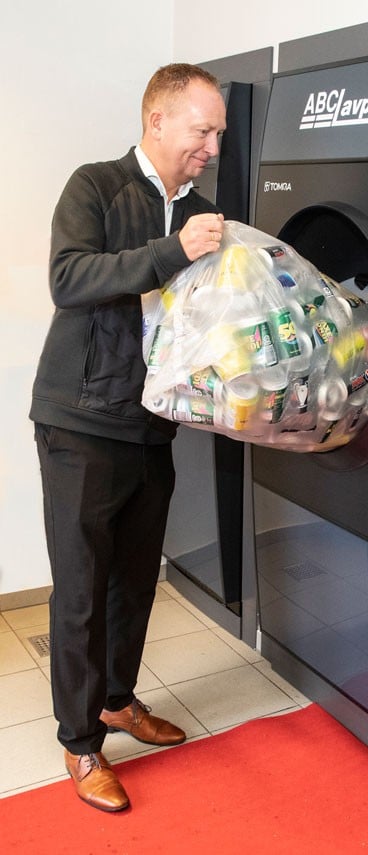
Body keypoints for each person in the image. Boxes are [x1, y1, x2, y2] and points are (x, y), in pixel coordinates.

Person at [30, 64, 228, 812]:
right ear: (158, 121)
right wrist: (175, 250)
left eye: (217, 133)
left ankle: (117, 700)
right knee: (81, 588)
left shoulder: (205, 210)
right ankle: (81, 745)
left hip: (153, 424)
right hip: (79, 420)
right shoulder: (95, 185)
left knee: (136, 579)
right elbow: (70, 277)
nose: (210, 145)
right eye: (201, 130)